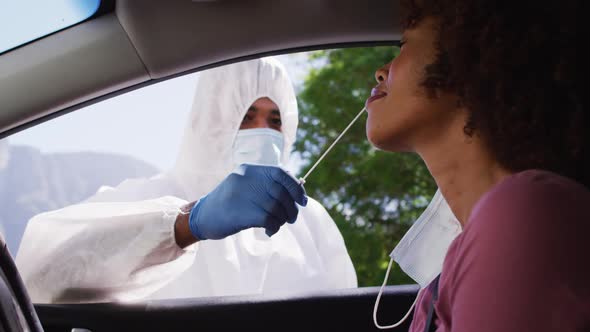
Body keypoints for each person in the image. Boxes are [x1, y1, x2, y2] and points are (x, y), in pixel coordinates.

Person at [16, 57, 357, 303]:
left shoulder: (308, 221)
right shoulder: (143, 198)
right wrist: (185, 224)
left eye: (275, 119)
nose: (262, 132)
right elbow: (39, 278)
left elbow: (344, 314)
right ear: (210, 117)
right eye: (247, 115)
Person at [366, 0, 589, 331]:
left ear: (466, 59)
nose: (380, 70)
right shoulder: (434, 290)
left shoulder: (526, 212)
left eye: (404, 45)